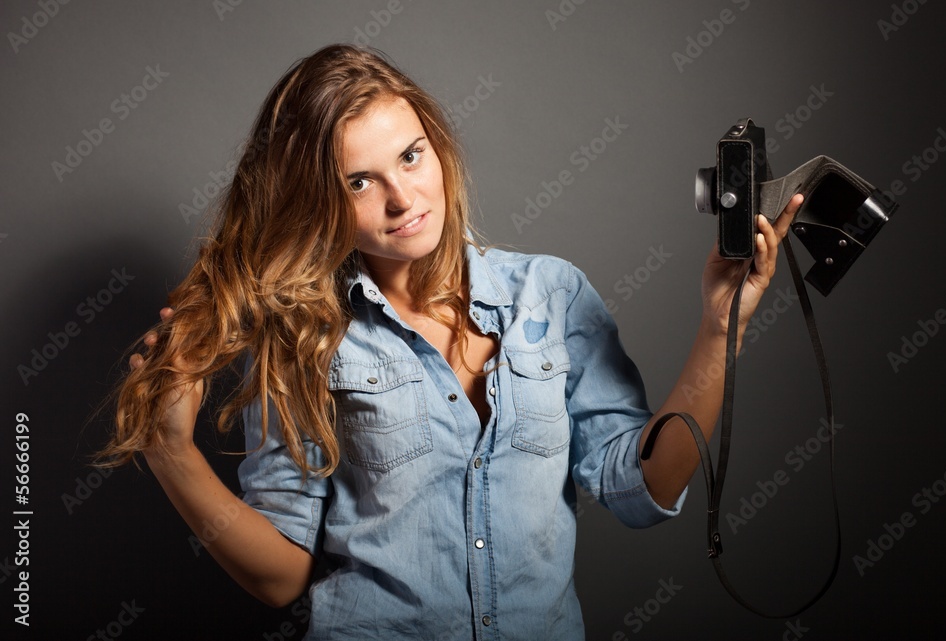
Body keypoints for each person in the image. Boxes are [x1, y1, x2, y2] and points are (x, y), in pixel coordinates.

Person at [98, 44, 802, 639]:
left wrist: (721, 327)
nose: (402, 198)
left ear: (437, 146)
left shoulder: (551, 293)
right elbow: (282, 574)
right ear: (317, 199)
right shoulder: (302, 340)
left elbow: (644, 487)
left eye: (410, 156)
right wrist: (172, 453)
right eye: (359, 182)